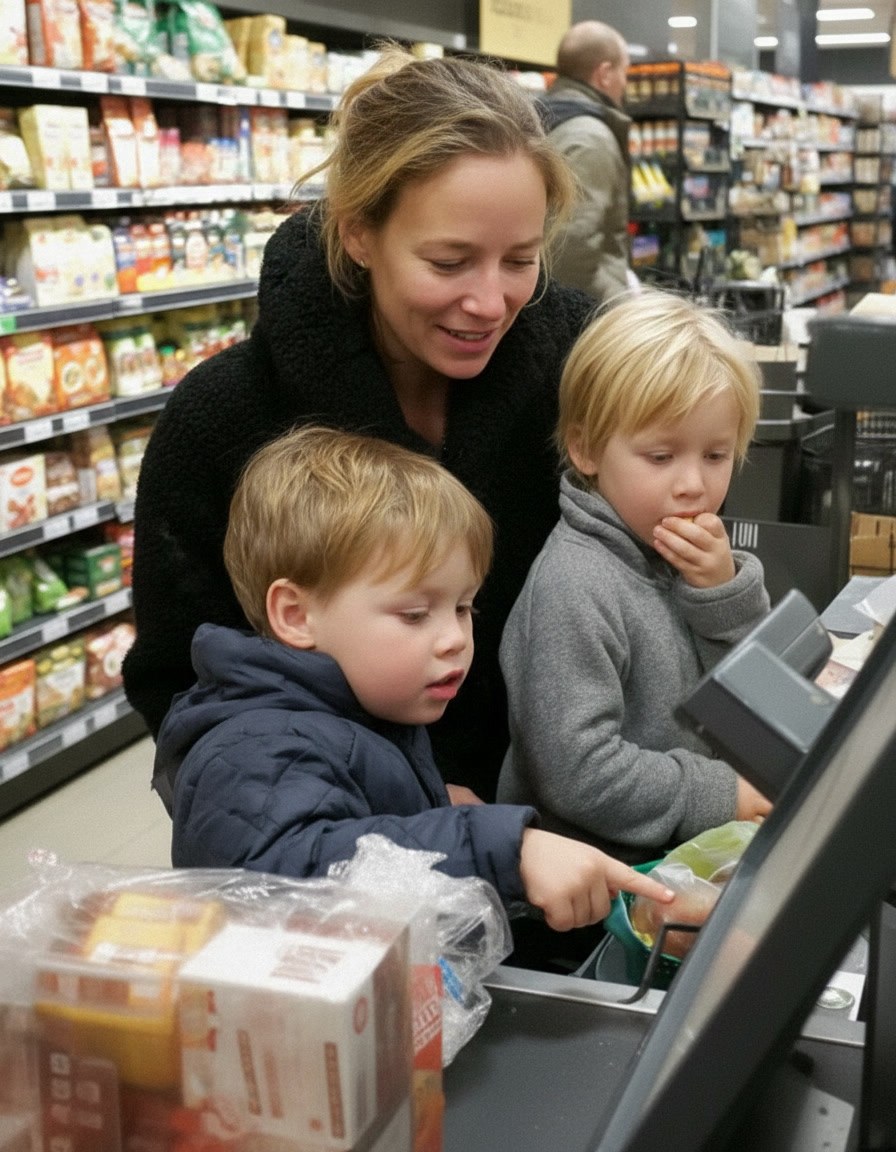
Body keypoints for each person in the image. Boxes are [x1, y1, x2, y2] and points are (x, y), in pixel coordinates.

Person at [123, 44, 596, 809]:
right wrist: (403, 805)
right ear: (357, 234)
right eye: (448, 262)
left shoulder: (578, 377)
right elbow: (181, 683)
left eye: (520, 259)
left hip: (566, 831)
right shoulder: (225, 418)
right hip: (333, 855)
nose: (489, 302)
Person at [153, 426, 674, 938]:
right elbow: (290, 881)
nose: (455, 639)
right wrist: (498, 849)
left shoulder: (361, 709)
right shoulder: (251, 752)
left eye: (464, 606)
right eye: (415, 613)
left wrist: (431, 809)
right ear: (296, 615)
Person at [497, 289, 773, 867]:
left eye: (716, 455)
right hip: (597, 897)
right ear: (587, 449)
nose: (692, 484)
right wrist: (721, 796)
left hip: (683, 860)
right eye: (660, 456)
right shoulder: (573, 587)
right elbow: (578, 772)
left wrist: (723, 595)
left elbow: (760, 699)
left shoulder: (674, 548)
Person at [536, 20, 633, 304]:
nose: (625, 84)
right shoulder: (591, 138)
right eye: (624, 72)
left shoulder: (541, 119)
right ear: (604, 73)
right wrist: (620, 307)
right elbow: (570, 248)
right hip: (581, 314)